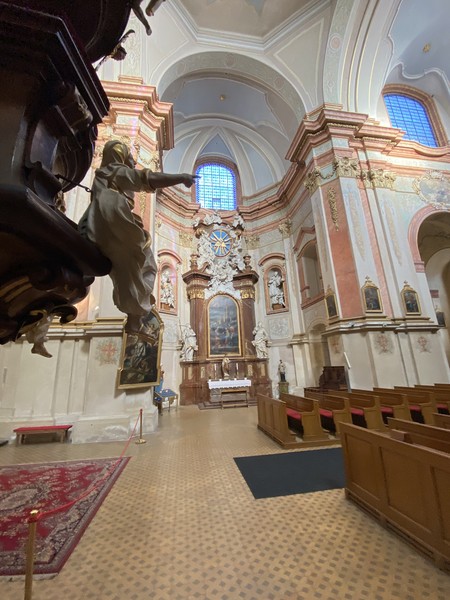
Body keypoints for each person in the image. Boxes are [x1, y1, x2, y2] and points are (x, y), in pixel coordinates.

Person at [78, 140, 196, 335]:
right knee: (138, 263)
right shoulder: (115, 171)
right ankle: (134, 316)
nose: (133, 162)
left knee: (146, 264)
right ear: (120, 157)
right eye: (130, 158)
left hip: (112, 221)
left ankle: (135, 316)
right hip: (112, 222)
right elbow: (147, 179)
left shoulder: (107, 174)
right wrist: (181, 177)